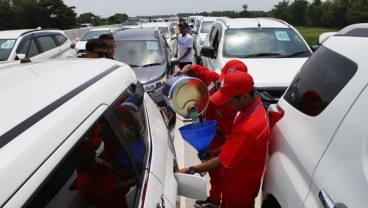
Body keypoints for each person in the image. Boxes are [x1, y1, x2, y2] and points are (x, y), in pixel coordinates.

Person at [177, 70, 270, 208]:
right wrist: (216, 150)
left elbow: (222, 162)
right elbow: (237, 145)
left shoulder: (248, 128)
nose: (227, 105)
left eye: (229, 101)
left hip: (239, 188)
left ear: (243, 97)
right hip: (243, 179)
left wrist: (191, 169)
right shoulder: (255, 107)